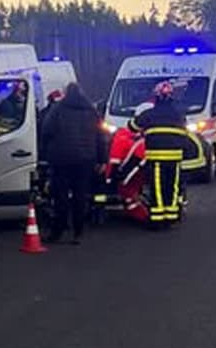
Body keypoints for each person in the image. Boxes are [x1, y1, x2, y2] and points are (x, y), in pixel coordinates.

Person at [40, 82, 104, 244]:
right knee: (80, 196)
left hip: (61, 159)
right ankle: (78, 232)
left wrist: (45, 153)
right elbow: (100, 137)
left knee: (60, 197)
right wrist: (102, 159)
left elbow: (46, 131)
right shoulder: (91, 111)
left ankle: (58, 231)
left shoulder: (58, 109)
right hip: (85, 160)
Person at [134, 81, 205, 224]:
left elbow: (133, 126)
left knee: (158, 187)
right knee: (172, 186)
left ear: (156, 97)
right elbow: (184, 132)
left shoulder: (149, 114)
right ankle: (172, 215)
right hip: (175, 157)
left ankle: (157, 218)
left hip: (156, 157)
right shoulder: (178, 114)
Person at [105, 103, 151, 223]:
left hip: (131, 173)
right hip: (137, 172)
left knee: (128, 193)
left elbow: (115, 159)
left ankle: (144, 216)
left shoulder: (125, 135)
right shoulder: (144, 138)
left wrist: (111, 177)